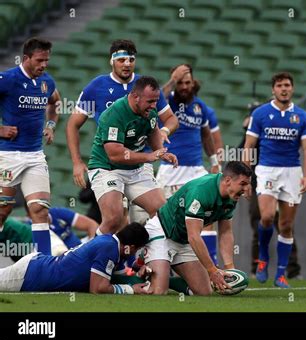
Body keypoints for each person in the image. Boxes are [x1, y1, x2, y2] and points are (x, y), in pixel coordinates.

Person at [66, 39, 185, 224]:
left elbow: (171, 119)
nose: (127, 64)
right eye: (122, 60)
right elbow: (73, 124)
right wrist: (76, 162)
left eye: (131, 60)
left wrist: (163, 132)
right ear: (112, 61)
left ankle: (144, 253)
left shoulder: (146, 87)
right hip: (109, 163)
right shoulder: (97, 86)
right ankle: (97, 252)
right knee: (115, 219)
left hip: (140, 162)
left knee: (156, 217)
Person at [244, 72, 306, 288]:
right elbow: (248, 147)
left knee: (286, 225)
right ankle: (263, 258)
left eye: (287, 85)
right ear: (273, 89)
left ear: (292, 89)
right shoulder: (261, 113)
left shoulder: (302, 116)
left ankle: (281, 274)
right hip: (267, 170)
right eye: (280, 85)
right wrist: (246, 177)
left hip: (292, 172)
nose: (284, 89)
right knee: (266, 217)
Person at [143, 161, 252, 295]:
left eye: (248, 184)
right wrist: (212, 270)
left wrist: (230, 268)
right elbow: (194, 236)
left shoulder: (232, 196)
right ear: (228, 180)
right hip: (163, 232)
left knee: (204, 292)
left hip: (183, 239)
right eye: (243, 184)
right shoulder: (202, 191)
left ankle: (165, 277)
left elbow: (225, 233)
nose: (246, 189)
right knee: (159, 291)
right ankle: (143, 276)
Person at [86, 76, 178, 235]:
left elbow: (152, 129)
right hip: (107, 168)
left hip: (135, 169)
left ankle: (148, 255)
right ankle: (91, 254)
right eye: (150, 101)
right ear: (135, 97)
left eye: (156, 101)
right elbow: (115, 155)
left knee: (163, 214)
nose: (154, 105)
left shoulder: (149, 110)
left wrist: (162, 152)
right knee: (114, 219)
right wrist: (148, 157)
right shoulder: (114, 114)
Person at [0, 37, 61, 256]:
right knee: (3, 210)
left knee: (39, 209)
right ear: (26, 58)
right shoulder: (7, 79)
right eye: (39, 60)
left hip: (35, 155)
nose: (44, 65)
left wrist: (51, 125)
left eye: (46, 60)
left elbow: (55, 102)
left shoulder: (47, 82)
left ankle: (42, 264)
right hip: (7, 155)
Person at [156, 64, 221, 264]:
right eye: (181, 82)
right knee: (163, 219)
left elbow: (206, 135)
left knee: (207, 218)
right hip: (170, 169)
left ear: (193, 83)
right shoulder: (166, 103)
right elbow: (156, 97)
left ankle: (211, 265)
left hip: (196, 170)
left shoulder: (200, 107)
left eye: (188, 82)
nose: (184, 86)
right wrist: (172, 81)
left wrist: (214, 161)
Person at [0, 222, 151, 294]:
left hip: (38, 267)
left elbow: (119, 277)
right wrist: (131, 289)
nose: (134, 254)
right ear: (129, 247)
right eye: (136, 250)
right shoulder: (109, 247)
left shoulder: (110, 243)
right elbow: (97, 289)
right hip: (31, 274)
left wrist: (139, 274)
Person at [240, 104, 302, 278]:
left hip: (284, 175)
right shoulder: (255, 130)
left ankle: (291, 268)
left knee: (285, 224)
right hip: (260, 179)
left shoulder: (282, 129)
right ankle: (257, 264)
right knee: (261, 219)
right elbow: (244, 149)